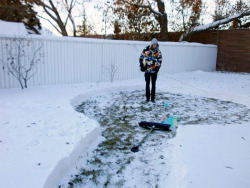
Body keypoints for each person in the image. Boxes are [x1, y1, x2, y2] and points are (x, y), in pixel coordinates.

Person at [139, 38, 162, 103]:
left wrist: (157, 67)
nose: (155, 45)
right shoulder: (146, 49)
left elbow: (160, 60)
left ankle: (152, 98)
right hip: (147, 71)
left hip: (154, 71)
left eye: (156, 44)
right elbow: (141, 58)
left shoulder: (158, 51)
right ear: (151, 44)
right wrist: (142, 65)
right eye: (154, 44)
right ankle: (147, 98)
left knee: (153, 84)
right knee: (147, 84)